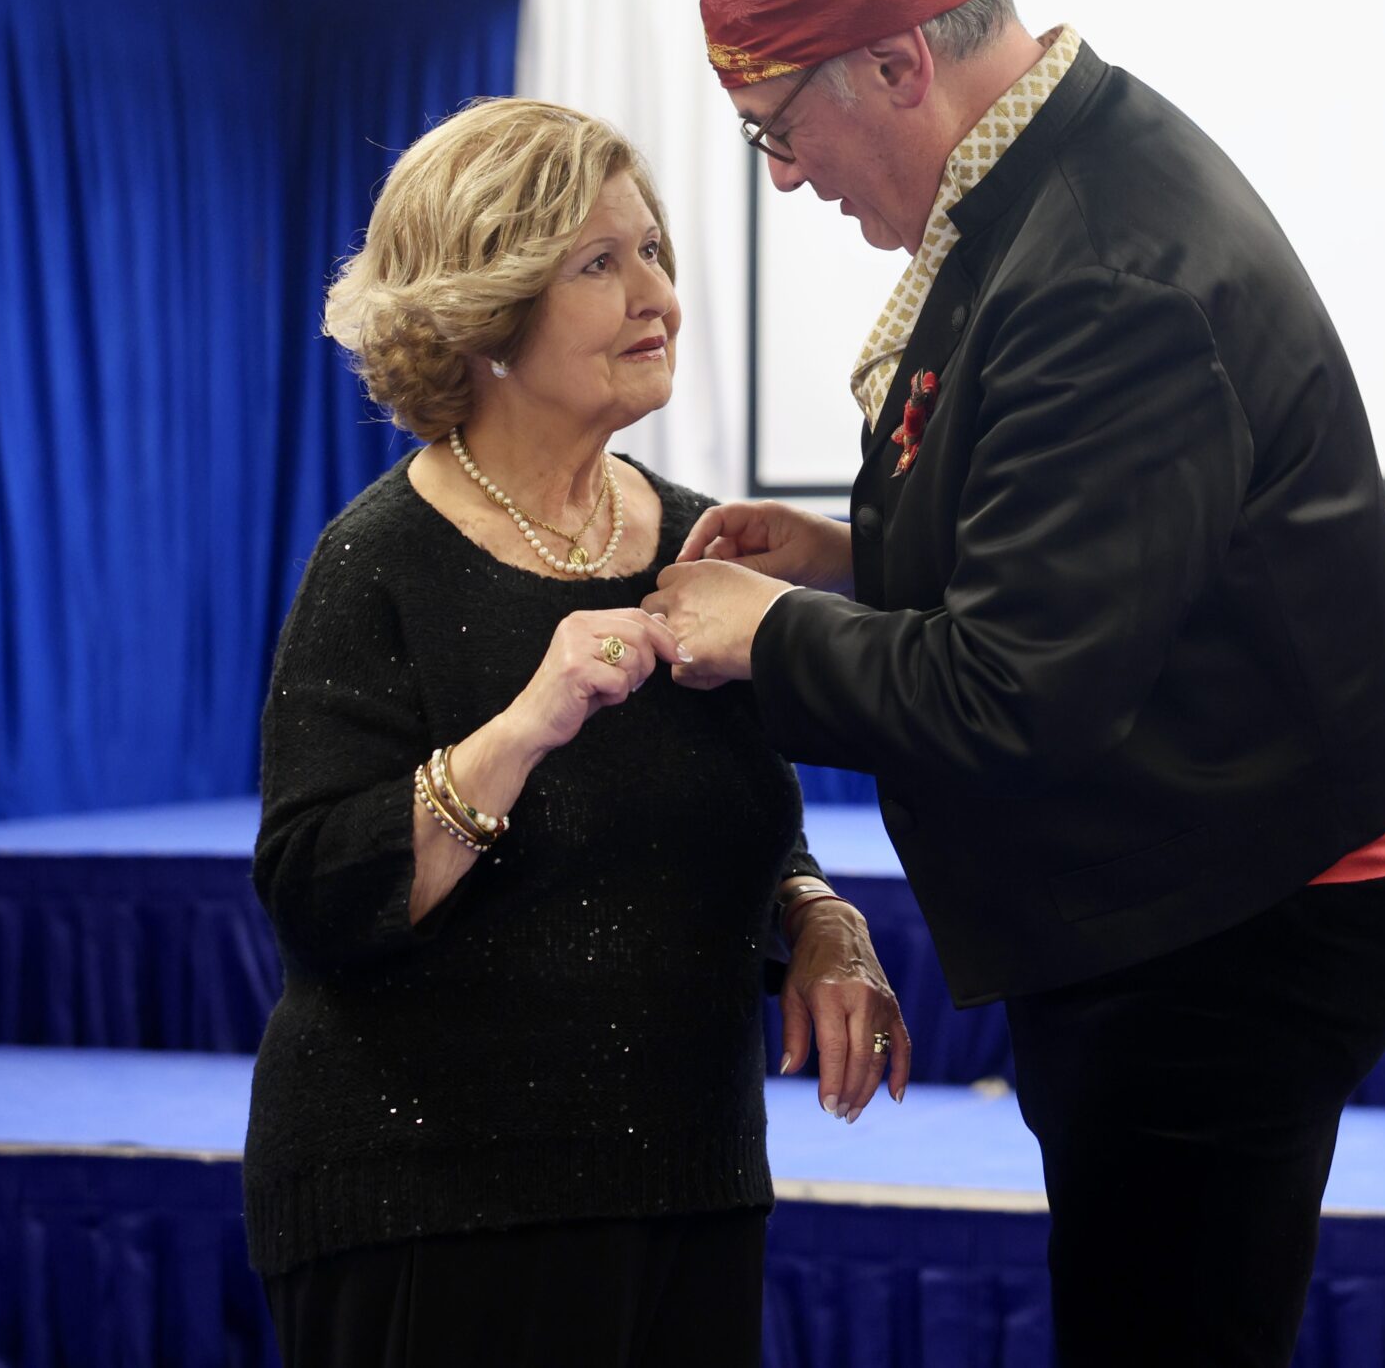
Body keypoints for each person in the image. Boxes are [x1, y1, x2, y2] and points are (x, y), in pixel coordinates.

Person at [643, 0, 1385, 1365]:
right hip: (1206, 877)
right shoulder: (1052, 165)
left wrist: (765, 634)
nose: (786, 175)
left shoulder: (1098, 264)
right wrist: (851, 558)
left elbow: (1021, 690)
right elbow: (1092, 545)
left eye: (777, 128)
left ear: (896, 64)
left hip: (1231, 921)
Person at [242, 98, 908, 1368]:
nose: (657, 295)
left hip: (690, 1185)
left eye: (652, 250)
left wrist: (819, 915)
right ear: (485, 314)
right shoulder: (376, 563)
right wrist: (524, 727)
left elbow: (731, 817)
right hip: (434, 1211)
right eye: (599, 263)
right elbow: (319, 894)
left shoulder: (702, 540)